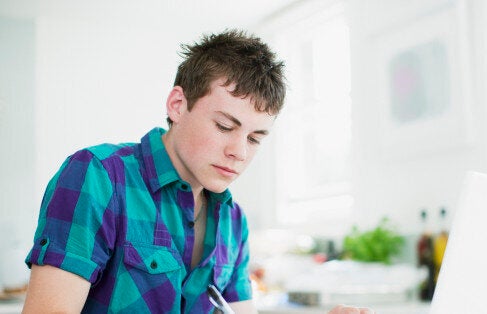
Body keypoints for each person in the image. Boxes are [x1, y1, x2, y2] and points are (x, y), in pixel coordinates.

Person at [22, 29, 372, 314]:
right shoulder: (97, 177)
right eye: (223, 126)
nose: (239, 151)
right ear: (177, 105)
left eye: (254, 137)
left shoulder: (233, 220)